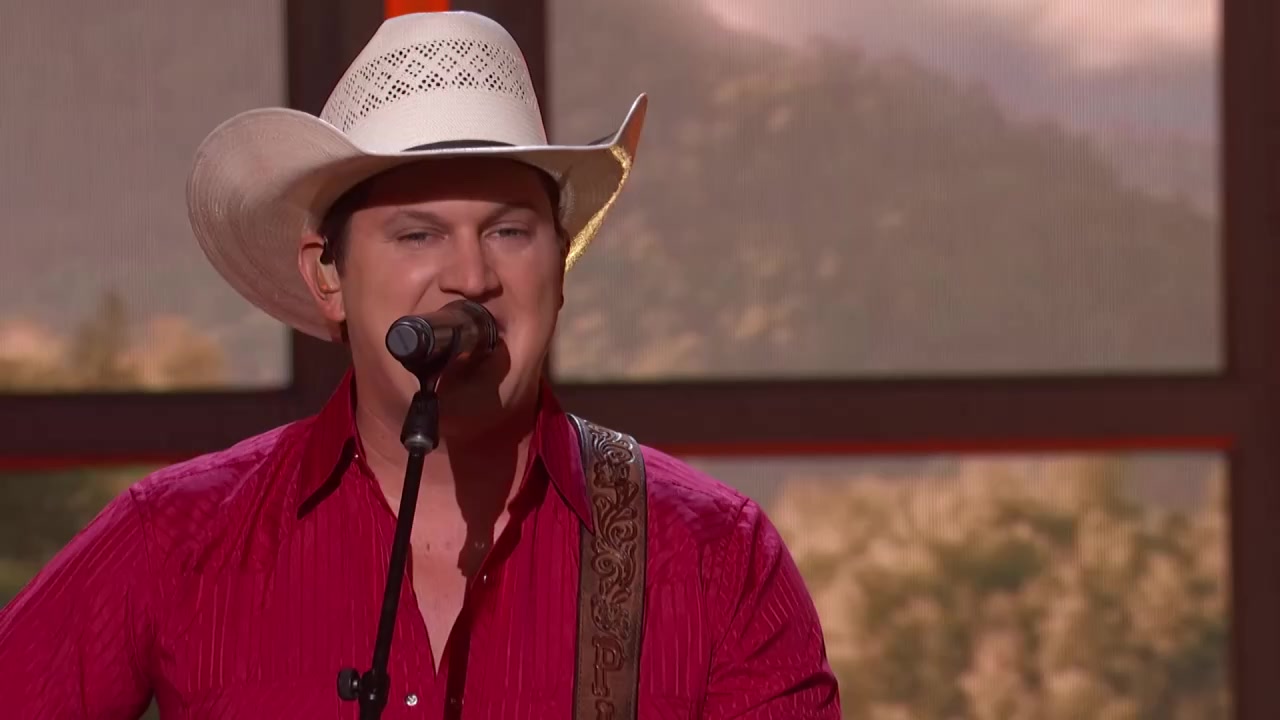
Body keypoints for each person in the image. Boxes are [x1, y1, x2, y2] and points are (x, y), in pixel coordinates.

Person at [0, 11, 840, 719]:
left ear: (559, 269)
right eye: (417, 234)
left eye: (508, 231)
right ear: (328, 277)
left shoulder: (717, 559)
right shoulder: (177, 539)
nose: (471, 276)